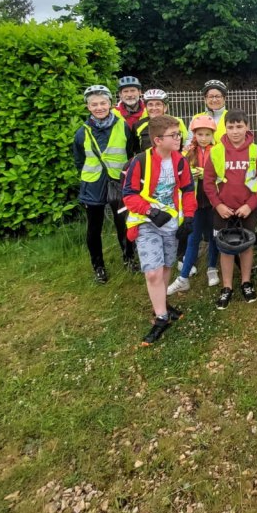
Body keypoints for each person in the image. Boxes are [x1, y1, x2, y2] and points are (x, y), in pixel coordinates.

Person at [122, 115, 197, 346]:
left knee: (165, 267)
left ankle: (162, 305)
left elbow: (188, 190)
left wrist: (189, 218)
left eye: (179, 134)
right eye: (173, 135)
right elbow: (129, 195)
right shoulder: (140, 162)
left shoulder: (180, 162)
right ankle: (161, 317)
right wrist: (151, 212)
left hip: (171, 223)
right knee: (152, 273)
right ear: (157, 140)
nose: (179, 138)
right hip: (147, 223)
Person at [203, 109, 257, 309]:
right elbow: (208, 182)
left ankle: (246, 282)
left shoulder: (256, 152)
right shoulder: (216, 151)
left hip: (247, 208)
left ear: (247, 127)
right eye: (230, 127)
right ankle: (227, 287)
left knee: (246, 245)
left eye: (239, 126)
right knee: (226, 247)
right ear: (225, 128)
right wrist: (218, 205)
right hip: (223, 209)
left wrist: (251, 205)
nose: (235, 131)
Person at [73, 84, 136, 283]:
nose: (99, 107)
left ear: (110, 104)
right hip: (93, 185)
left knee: (124, 224)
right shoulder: (81, 133)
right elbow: (79, 161)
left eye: (102, 103)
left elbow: (130, 152)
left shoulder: (123, 126)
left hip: (118, 183)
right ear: (88, 107)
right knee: (94, 228)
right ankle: (98, 266)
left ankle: (129, 258)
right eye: (94, 104)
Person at [167, 114, 222, 294]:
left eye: (207, 134)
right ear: (194, 135)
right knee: (193, 238)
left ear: (213, 135)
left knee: (213, 237)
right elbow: (178, 175)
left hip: (214, 203)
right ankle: (183, 277)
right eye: (200, 134)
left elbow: (224, 176)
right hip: (195, 204)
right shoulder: (187, 152)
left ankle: (212, 268)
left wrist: (207, 174)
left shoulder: (219, 151)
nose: (203, 138)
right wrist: (190, 174)